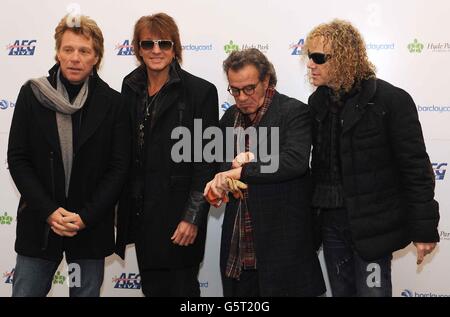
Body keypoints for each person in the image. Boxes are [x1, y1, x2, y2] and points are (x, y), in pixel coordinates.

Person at [304, 19, 440, 297]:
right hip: (331, 225)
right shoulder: (317, 103)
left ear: (344, 58)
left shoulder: (391, 101)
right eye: (309, 56)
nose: (310, 64)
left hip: (372, 228)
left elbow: (415, 168)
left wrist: (425, 229)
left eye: (318, 58)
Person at [7, 14, 130, 297]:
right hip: (40, 224)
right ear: (57, 53)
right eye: (68, 49)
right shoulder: (32, 94)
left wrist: (85, 217)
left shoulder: (113, 104)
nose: (75, 58)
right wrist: (49, 212)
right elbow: (18, 158)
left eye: (84, 51)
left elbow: (118, 167)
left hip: (89, 227)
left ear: (96, 57)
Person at [204, 48, 325, 297]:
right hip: (239, 248)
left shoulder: (294, 112)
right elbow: (221, 164)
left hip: (285, 247)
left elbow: (294, 161)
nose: (241, 97)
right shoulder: (229, 118)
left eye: (249, 88)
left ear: (267, 80)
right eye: (234, 90)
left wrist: (241, 172)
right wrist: (220, 182)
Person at [115, 13, 219, 297]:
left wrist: (192, 217)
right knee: (152, 290)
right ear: (137, 49)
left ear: (176, 48)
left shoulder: (201, 92)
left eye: (164, 43)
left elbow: (207, 161)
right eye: (148, 44)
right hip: (143, 215)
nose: (156, 50)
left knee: (182, 291)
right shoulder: (130, 87)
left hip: (179, 217)